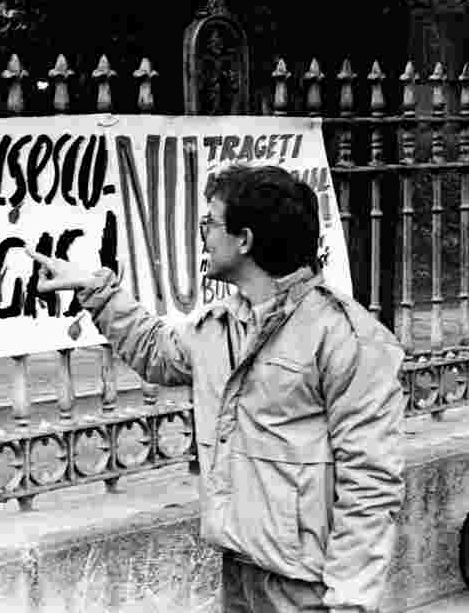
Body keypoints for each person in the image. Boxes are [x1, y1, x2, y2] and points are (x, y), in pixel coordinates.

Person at [26, 164, 405, 613]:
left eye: (210, 224)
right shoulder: (220, 326)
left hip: (310, 588)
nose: (204, 236)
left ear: (244, 240)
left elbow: (370, 480)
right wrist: (99, 293)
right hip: (240, 570)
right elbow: (158, 352)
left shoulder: (347, 338)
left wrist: (349, 601)